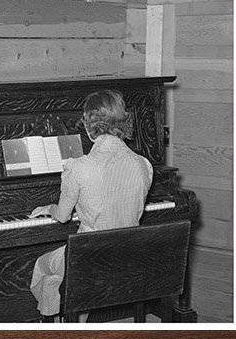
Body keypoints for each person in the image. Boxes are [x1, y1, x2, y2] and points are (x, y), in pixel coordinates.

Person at [29, 89, 154, 319]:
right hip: (128, 255)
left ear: (88, 126)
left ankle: (56, 325)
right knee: (68, 275)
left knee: (43, 266)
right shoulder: (143, 164)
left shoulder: (79, 167)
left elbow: (63, 216)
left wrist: (49, 208)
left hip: (88, 260)